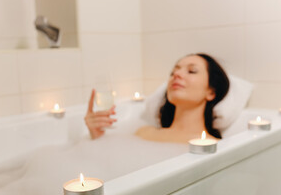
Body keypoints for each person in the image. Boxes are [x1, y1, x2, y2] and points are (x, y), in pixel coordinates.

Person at [85, 53, 230, 143]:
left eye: (191, 71)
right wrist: (97, 136)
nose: (177, 75)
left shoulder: (213, 146)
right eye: (174, 71)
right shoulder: (144, 133)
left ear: (211, 92)